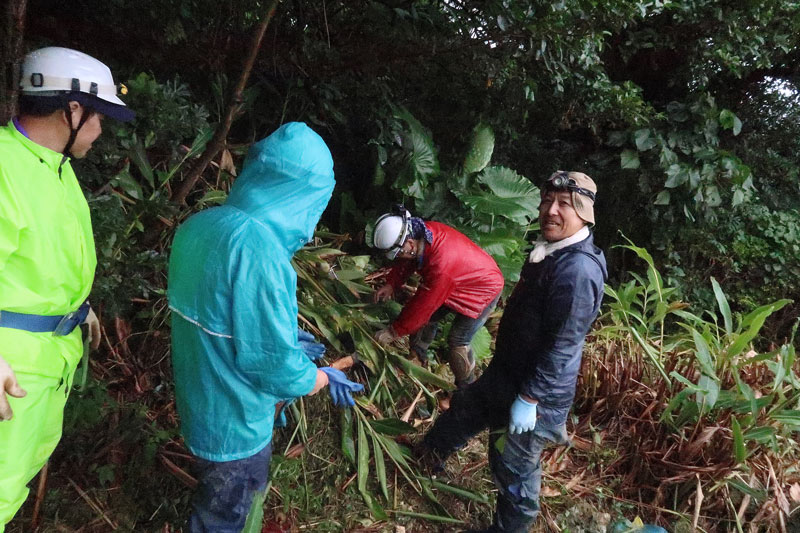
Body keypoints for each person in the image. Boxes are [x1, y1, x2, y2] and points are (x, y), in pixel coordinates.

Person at [167, 122, 363, 532]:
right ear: (301, 196)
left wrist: (286, 339)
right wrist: (317, 377)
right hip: (236, 424)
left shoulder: (201, 225)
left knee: (216, 498)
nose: (311, 222)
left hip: (199, 404)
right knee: (225, 516)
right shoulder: (261, 253)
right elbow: (272, 366)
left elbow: (218, 320)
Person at [418, 171, 607, 532]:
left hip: (536, 394)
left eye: (564, 205)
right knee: (466, 409)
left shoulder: (577, 271)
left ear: (584, 213)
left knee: (515, 468)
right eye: (547, 201)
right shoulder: (553, 251)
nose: (551, 211)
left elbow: (563, 345)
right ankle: (427, 456)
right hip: (507, 374)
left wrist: (531, 398)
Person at [0, 46, 134, 529]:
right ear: (72, 109)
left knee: (11, 484)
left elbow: (38, 257)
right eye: (100, 117)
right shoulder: (5, 165)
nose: (102, 131)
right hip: (11, 373)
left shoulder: (54, 167)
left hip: (44, 368)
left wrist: (76, 307)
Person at [371, 207, 504, 388]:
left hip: (483, 288)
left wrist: (393, 332)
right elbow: (408, 259)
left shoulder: (440, 265)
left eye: (398, 252)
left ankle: (466, 389)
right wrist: (391, 283)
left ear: (409, 243)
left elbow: (423, 306)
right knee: (429, 319)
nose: (399, 256)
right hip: (460, 276)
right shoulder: (422, 235)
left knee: (458, 341)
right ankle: (418, 357)